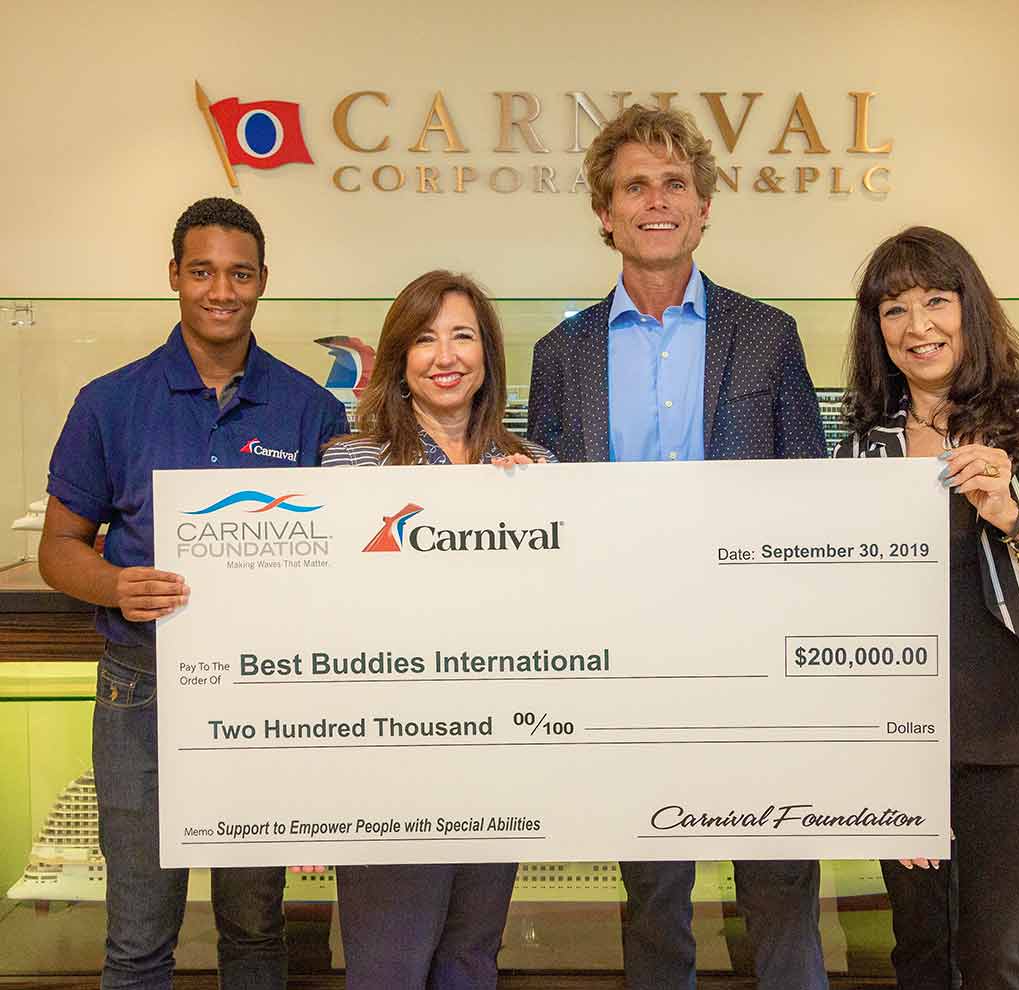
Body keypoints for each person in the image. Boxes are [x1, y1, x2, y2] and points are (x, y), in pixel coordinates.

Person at [527, 105, 828, 990]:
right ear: (605, 212)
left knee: (778, 877)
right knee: (654, 889)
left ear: (703, 209)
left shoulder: (767, 335)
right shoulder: (561, 353)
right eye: (634, 186)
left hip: (755, 655)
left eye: (675, 184)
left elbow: (811, 492)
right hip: (629, 660)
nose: (656, 200)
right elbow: (544, 518)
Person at [38, 197, 350, 990]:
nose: (222, 290)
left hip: (261, 699)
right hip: (141, 690)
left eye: (239, 273)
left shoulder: (310, 408)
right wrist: (115, 583)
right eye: (203, 271)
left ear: (263, 282)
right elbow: (57, 550)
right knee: (139, 935)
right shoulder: (111, 402)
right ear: (174, 275)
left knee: (254, 925)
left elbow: (347, 554)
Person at [834, 226, 1019, 989]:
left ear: (972, 307)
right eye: (894, 309)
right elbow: (839, 611)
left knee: (995, 955)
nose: (919, 326)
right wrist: (878, 763)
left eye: (937, 300)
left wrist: (1015, 515)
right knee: (920, 951)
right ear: (877, 330)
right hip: (906, 735)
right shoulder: (859, 447)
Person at [322, 269, 553, 989]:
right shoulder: (350, 463)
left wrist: (543, 518)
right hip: (390, 753)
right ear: (398, 357)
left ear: (487, 354)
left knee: (470, 958)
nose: (445, 355)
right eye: (424, 339)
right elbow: (330, 613)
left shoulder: (535, 467)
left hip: (498, 751)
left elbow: (554, 617)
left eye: (462, 335)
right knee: (389, 963)